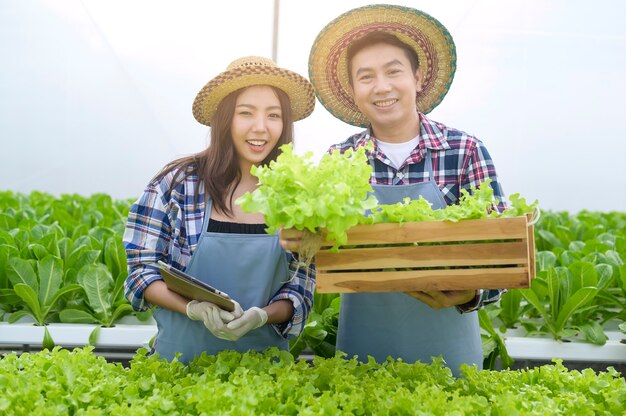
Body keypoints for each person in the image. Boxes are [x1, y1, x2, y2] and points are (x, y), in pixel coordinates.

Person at [282, 5, 507, 376]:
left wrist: (471, 294)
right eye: (366, 77)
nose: (382, 87)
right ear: (354, 91)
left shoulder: (465, 151)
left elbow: (500, 258)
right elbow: (311, 265)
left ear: (417, 78)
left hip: (449, 352)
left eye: (393, 71)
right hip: (363, 351)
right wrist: (298, 245)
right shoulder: (338, 159)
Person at [123, 56, 316, 364]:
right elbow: (140, 273)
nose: (261, 128)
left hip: (265, 375)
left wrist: (261, 316)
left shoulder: (297, 196)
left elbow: (300, 292)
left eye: (274, 115)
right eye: (246, 113)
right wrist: (191, 308)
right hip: (176, 369)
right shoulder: (177, 184)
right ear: (225, 118)